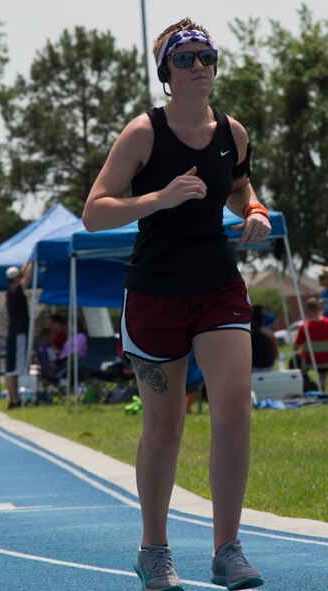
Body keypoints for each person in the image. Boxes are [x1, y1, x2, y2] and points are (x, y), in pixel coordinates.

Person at [82, 17, 268, 591]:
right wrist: (159, 198)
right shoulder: (143, 133)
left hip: (217, 283)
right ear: (166, 72)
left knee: (234, 407)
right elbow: (95, 211)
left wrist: (254, 211)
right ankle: (154, 549)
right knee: (165, 426)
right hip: (156, 291)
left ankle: (227, 549)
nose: (200, 67)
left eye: (207, 57)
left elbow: (239, 186)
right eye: (186, 59)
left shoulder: (230, 132)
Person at [4, 263, 32, 409]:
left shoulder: (11, 291)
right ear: (16, 278)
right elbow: (26, 280)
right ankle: (14, 401)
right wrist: (33, 261)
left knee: (11, 369)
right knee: (14, 370)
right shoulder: (16, 291)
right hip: (18, 334)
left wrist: (27, 263)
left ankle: (13, 400)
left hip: (14, 334)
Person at [293, 297, 328, 389]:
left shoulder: (304, 327)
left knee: (293, 362)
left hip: (310, 361)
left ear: (307, 310)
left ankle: (308, 385)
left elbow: (295, 347)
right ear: (321, 309)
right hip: (326, 360)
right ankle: (322, 383)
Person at [250, 305, 279, 372]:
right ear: (263, 318)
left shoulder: (246, 334)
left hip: (251, 366)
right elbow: (276, 354)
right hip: (267, 366)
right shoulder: (269, 333)